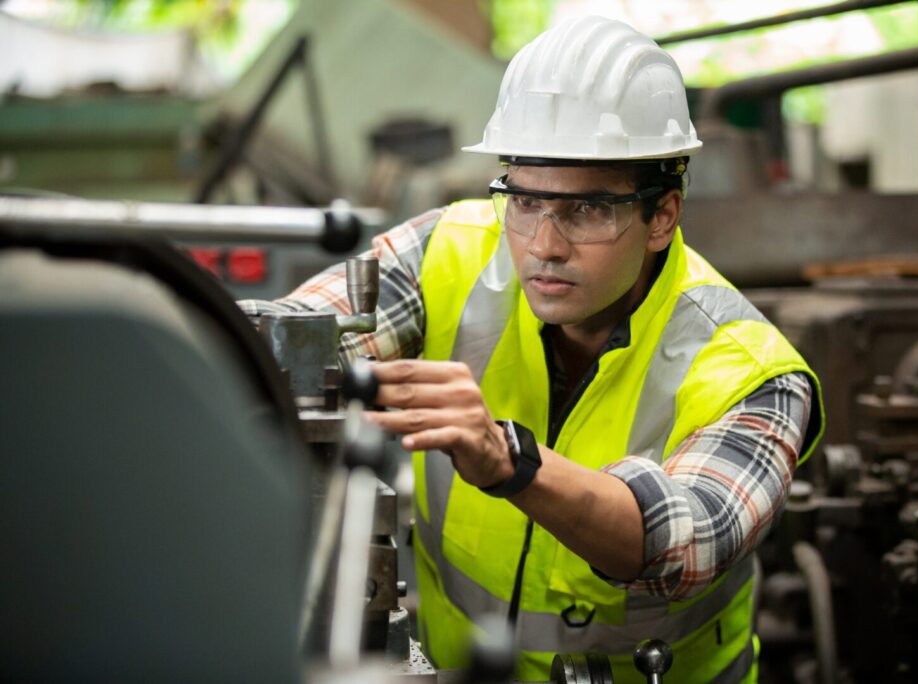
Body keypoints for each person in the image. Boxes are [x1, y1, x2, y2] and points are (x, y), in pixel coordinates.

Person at [240, 15, 823, 683]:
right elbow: (294, 335)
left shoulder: (751, 372)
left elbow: (685, 540)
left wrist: (509, 459)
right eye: (523, 202)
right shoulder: (448, 253)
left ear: (662, 214)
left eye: (587, 210)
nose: (544, 245)